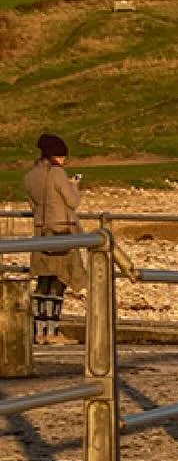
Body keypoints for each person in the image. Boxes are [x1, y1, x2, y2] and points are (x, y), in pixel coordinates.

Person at [23, 133, 85, 346]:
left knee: (42, 281)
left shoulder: (29, 177)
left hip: (40, 233)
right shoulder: (57, 174)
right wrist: (74, 185)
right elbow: (72, 202)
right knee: (59, 280)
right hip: (61, 233)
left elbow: (33, 207)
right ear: (56, 156)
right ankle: (53, 331)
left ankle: (39, 331)